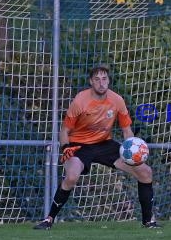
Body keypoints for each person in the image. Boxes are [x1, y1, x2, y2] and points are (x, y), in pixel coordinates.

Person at [34, 65, 161, 229]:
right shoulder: (80, 100)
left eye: (104, 79)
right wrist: (65, 147)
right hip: (79, 145)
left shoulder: (117, 100)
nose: (101, 83)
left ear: (108, 81)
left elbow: (126, 129)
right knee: (71, 177)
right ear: (91, 82)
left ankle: (148, 222)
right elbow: (64, 130)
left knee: (145, 172)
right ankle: (49, 220)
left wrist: (132, 149)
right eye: (97, 79)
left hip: (104, 144)